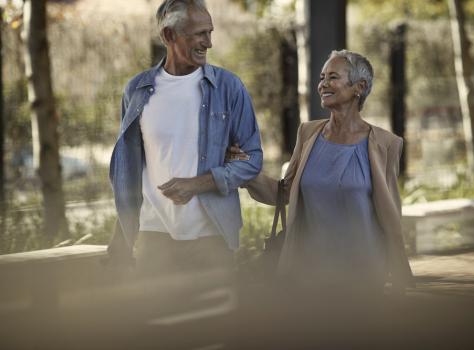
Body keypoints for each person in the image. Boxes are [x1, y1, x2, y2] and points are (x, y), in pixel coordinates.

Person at [237, 49, 414, 295]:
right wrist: (244, 169)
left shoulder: (386, 144)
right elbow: (284, 192)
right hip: (308, 274)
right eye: (322, 78)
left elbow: (391, 216)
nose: (323, 84)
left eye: (333, 77)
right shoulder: (308, 133)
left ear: (359, 86)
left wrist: (399, 277)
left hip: (362, 278)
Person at [106, 0, 262, 278]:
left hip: (212, 237)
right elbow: (127, 171)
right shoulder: (136, 90)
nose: (208, 43)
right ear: (169, 35)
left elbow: (252, 160)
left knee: (214, 320)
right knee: (155, 319)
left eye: (210, 32)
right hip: (153, 237)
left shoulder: (229, 87)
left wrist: (198, 184)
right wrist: (121, 238)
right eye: (199, 34)